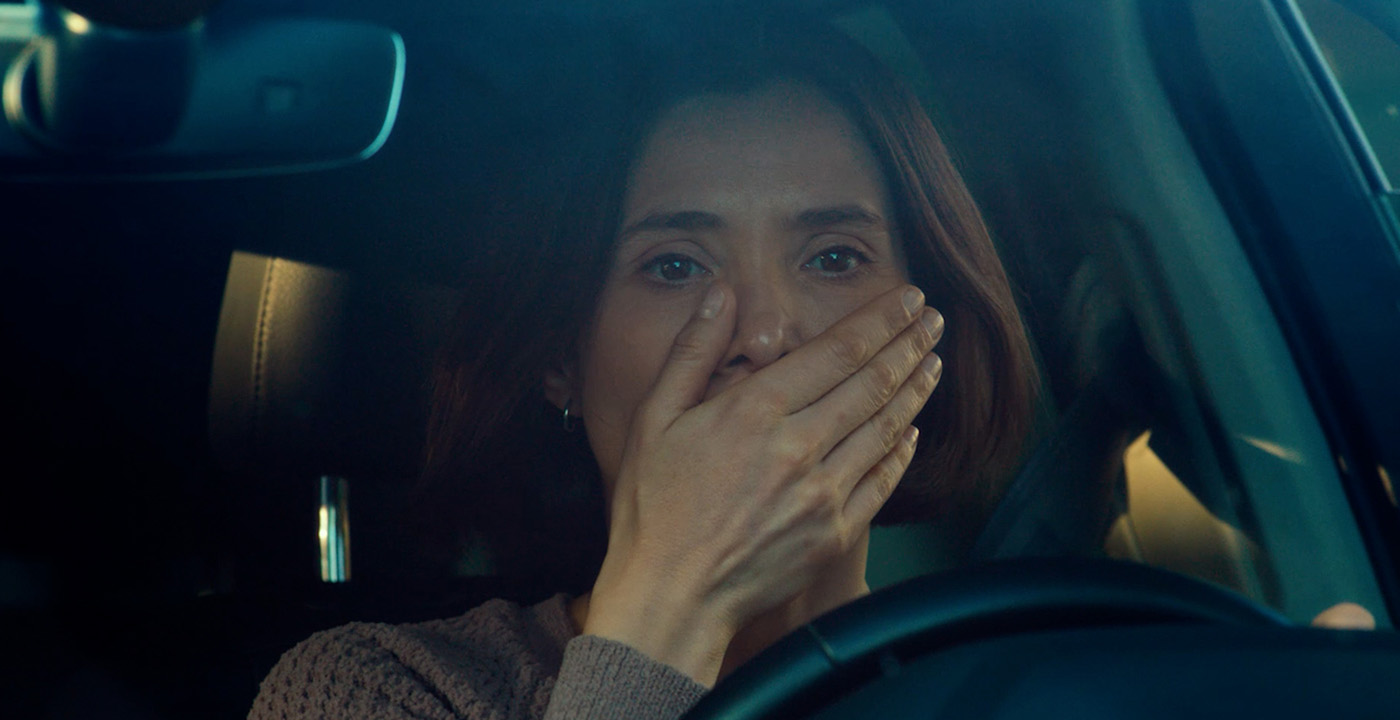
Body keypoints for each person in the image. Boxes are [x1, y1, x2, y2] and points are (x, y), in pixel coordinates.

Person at [249, 14, 1367, 720]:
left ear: (928, 331)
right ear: (558, 361)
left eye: (835, 256)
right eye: (675, 265)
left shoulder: (1048, 683)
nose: (765, 333)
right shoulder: (376, 687)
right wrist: (666, 610)